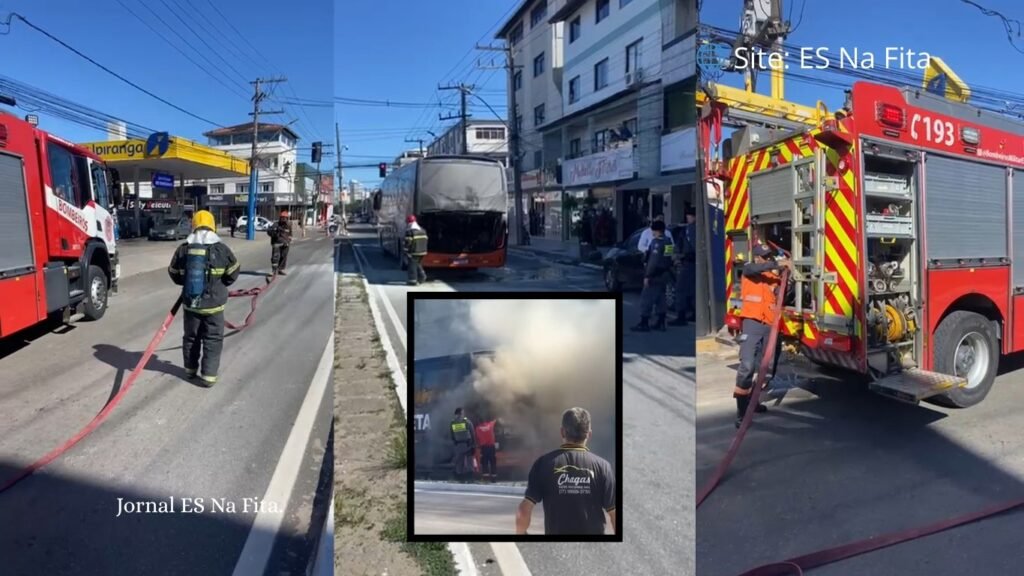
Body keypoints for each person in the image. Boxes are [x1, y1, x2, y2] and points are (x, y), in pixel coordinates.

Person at [167, 210, 240, 388]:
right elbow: (232, 274)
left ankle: (190, 370)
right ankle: (208, 377)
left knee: (191, 337)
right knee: (213, 339)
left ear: (194, 226)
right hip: (214, 307)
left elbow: (174, 274)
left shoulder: (183, 249)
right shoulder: (221, 249)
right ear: (213, 226)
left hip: (191, 306)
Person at [516, 407, 615, 535]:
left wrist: (521, 534)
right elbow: (614, 514)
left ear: (562, 432)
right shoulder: (603, 467)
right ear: (589, 434)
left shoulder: (543, 464)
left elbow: (524, 511)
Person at [734, 244, 793, 428]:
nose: (767, 259)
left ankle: (753, 402)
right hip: (752, 324)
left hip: (770, 325)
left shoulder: (774, 277)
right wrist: (778, 263)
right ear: (758, 258)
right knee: (747, 366)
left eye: (769, 256)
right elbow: (754, 268)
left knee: (765, 369)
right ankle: (742, 412)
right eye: (764, 257)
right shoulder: (749, 269)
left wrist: (788, 279)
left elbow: (783, 297)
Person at [632, 220, 674, 332]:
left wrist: (647, 275)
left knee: (646, 298)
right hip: (665, 274)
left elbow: (653, 262)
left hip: (655, 275)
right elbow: (669, 258)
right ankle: (661, 322)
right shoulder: (668, 241)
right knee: (661, 298)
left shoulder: (657, 243)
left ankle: (644, 323)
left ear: (655, 230)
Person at [670, 205, 697, 326]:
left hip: (688, 263)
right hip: (692, 263)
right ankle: (693, 314)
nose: (688, 218)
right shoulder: (689, 229)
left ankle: (681, 316)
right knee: (692, 290)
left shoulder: (689, 229)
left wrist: (677, 258)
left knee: (681, 289)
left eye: (690, 216)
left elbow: (680, 247)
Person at [450, 407, 475, 482]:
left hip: (458, 445)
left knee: (459, 462)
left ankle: (460, 479)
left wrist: (455, 442)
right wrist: (473, 444)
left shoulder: (452, 423)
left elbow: (452, 435)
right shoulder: (467, 422)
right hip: (467, 444)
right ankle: (470, 479)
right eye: (462, 413)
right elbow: (472, 433)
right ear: (460, 413)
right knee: (469, 462)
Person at [404, 214, 428, 286]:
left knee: (412, 266)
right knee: (417, 264)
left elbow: (408, 243)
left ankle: (412, 281)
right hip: (423, 251)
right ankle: (422, 277)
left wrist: (406, 251)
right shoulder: (423, 230)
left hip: (414, 252)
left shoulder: (410, 232)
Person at [267, 209, 293, 276]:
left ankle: (280, 269)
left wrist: (288, 241)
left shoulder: (289, 225)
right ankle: (274, 270)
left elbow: (290, 234)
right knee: (275, 257)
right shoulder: (275, 224)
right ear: (280, 218)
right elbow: (269, 232)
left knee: (284, 257)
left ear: (287, 218)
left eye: (285, 218)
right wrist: (275, 233)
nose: (283, 219)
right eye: (282, 217)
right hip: (276, 244)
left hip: (285, 244)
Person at [475, 417, 499, 482]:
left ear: (479, 422)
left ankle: (486, 478)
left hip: (484, 448)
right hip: (491, 447)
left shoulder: (477, 428)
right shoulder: (490, 425)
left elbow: (477, 438)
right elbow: (495, 421)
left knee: (484, 463)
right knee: (493, 462)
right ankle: (494, 479)